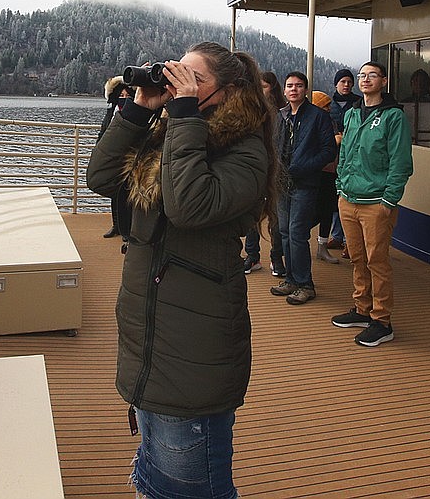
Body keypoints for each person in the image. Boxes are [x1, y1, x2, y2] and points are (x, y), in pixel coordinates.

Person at [86, 41, 276, 499]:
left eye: (190, 78)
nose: (174, 84)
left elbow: (189, 206)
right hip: (153, 334)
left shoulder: (246, 152)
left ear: (227, 92)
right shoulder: (171, 134)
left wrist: (186, 115)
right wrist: (137, 113)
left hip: (194, 345)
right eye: (174, 74)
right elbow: (101, 180)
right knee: (156, 480)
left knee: (190, 486)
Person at [331, 61, 413, 347]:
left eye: (372, 75)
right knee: (356, 258)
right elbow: (344, 154)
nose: (365, 79)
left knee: (377, 262)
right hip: (349, 199)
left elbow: (401, 162)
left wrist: (389, 199)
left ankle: (382, 320)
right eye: (362, 75)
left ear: (384, 81)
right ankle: (362, 309)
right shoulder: (352, 114)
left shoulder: (393, 117)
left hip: (376, 202)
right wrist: (340, 186)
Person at [271, 71, 336, 305]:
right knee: (285, 233)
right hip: (282, 183)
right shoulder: (280, 116)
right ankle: (291, 279)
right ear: (285, 90)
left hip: (305, 182)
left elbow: (329, 150)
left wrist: (306, 166)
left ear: (305, 89)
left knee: (298, 233)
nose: (293, 89)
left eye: (298, 86)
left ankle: (305, 284)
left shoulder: (318, 116)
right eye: (289, 86)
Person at [243, 71, 287, 276]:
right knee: (252, 216)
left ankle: (276, 258)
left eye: (265, 86)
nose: (262, 91)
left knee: (276, 218)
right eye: (258, 87)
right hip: (255, 169)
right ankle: (252, 257)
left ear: (273, 88)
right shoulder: (250, 111)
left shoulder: (282, 113)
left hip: (277, 170)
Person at [327, 68, 361, 257]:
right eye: (343, 82)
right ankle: (337, 236)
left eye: (349, 82)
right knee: (335, 197)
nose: (346, 85)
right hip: (333, 154)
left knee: (349, 196)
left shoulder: (358, 103)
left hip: (352, 153)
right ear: (336, 84)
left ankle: (351, 242)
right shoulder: (329, 104)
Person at [309, 90, 341, 265]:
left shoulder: (330, 121)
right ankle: (297, 236)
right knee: (315, 210)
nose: (329, 109)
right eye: (325, 105)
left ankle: (322, 246)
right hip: (317, 171)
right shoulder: (311, 121)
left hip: (332, 171)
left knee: (328, 209)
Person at [99, 75, 132, 239]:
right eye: (121, 96)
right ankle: (116, 226)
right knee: (114, 194)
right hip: (113, 159)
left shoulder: (135, 113)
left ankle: (127, 229)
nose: (124, 98)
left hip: (129, 159)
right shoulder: (111, 111)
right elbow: (104, 131)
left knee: (128, 195)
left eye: (127, 96)